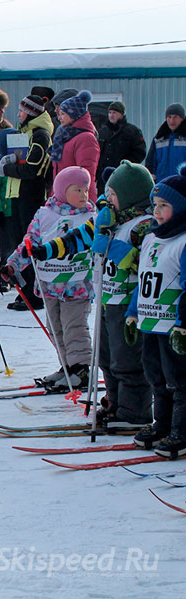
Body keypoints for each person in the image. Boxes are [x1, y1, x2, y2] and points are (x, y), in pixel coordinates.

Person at [26, 161, 154, 421]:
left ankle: (134, 412)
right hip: (107, 301)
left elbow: (145, 264)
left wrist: (112, 247)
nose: (108, 199)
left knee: (127, 360)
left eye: (113, 195)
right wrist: (46, 250)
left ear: (129, 196)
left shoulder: (144, 226)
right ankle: (115, 403)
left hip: (128, 304)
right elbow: (75, 239)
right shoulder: (108, 221)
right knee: (106, 358)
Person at [3, 166, 97, 389]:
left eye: (86, 190)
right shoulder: (45, 214)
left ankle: (81, 368)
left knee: (75, 327)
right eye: (78, 190)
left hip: (77, 285)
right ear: (63, 191)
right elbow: (30, 243)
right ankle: (67, 366)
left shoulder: (91, 218)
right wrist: (12, 266)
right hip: (50, 284)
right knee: (56, 328)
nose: (84, 195)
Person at [127, 164, 186, 458]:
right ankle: (161, 424)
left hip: (174, 327)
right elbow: (143, 278)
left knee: (179, 380)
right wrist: (132, 310)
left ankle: (181, 431)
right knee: (156, 376)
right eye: (155, 205)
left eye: (165, 205)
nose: (158, 211)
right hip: (150, 322)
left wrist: (183, 321)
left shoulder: (183, 241)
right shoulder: (151, 239)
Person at [0, 94, 55, 311]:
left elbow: (33, 169)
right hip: (17, 194)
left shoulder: (40, 135)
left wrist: (8, 169)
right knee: (20, 243)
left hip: (30, 195)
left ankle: (34, 294)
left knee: (29, 245)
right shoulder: (25, 133)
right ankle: (25, 291)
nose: (18, 115)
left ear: (30, 112)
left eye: (21, 111)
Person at [50, 90, 100, 202]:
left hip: (76, 200)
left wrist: (86, 202)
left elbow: (86, 176)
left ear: (74, 114)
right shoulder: (65, 136)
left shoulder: (86, 138)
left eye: (63, 114)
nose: (59, 118)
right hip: (62, 197)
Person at [96, 101, 146, 194]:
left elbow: (140, 152)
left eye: (114, 112)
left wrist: (126, 166)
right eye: (110, 112)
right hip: (103, 179)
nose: (111, 115)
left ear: (122, 114)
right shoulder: (102, 132)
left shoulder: (132, 131)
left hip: (123, 177)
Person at [145, 103, 186, 182]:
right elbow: (150, 163)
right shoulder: (159, 139)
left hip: (182, 184)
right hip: (162, 184)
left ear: (182, 119)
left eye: (175, 117)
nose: (171, 121)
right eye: (169, 117)